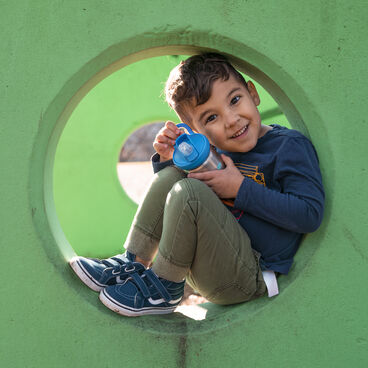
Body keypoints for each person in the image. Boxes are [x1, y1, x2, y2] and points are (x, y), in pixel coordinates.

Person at [69, 53, 325, 316]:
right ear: (196, 130)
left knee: (191, 191)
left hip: (251, 276)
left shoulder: (288, 146)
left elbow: (309, 214)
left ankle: (165, 287)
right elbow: (175, 198)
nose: (231, 119)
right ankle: (132, 262)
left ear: (253, 93)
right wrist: (170, 161)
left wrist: (240, 190)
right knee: (173, 176)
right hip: (207, 265)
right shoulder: (212, 153)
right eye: (211, 118)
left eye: (235, 100)